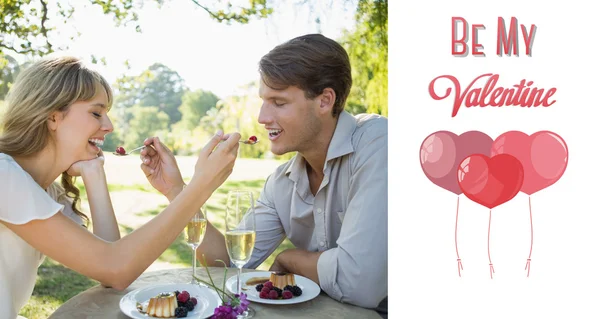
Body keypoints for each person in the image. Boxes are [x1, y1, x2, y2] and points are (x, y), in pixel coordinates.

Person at [141, 33, 388, 310]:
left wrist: (290, 259)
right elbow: (225, 260)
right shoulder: (281, 183)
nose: (262, 117)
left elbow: (361, 284)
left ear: (324, 101)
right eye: (263, 100)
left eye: (278, 102)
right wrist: (177, 190)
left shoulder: (378, 144)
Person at [0, 56, 241, 319]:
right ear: (53, 116)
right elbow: (115, 268)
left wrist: (94, 173)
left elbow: (110, 267)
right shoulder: (5, 176)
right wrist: (201, 186)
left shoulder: (46, 191)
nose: (109, 126)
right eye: (96, 113)